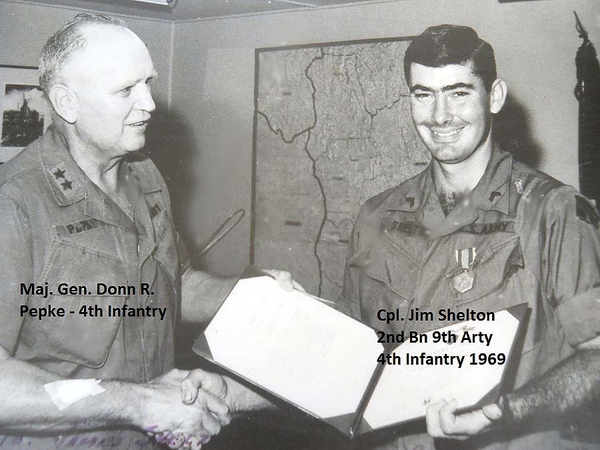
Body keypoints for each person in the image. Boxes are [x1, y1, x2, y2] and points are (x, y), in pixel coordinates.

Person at [0, 13, 290, 450]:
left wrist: (251, 295)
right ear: (66, 102)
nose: (150, 103)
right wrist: (137, 402)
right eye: (126, 90)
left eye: (148, 82)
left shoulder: (145, 175)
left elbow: (175, 283)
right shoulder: (15, 204)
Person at [338, 25, 600, 450]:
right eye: (424, 94)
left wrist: (504, 412)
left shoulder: (552, 211)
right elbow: (347, 353)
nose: (440, 116)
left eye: (458, 92)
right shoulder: (377, 215)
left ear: (493, 97)